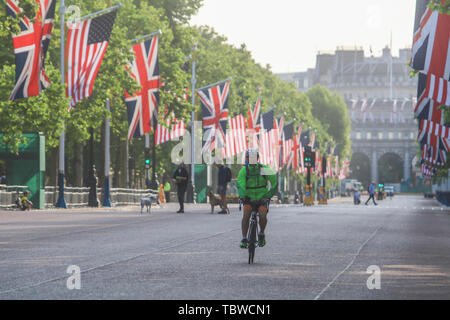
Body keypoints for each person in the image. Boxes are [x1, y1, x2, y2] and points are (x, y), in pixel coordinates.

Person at [237, 149, 277, 249]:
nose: (251, 159)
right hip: (248, 198)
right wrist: (243, 196)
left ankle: (262, 234)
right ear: (246, 158)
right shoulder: (244, 170)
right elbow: (240, 184)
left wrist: (268, 195)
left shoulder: (264, 168)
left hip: (262, 198)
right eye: (249, 157)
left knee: (263, 215)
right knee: (246, 214)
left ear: (257, 158)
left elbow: (274, 182)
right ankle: (244, 238)